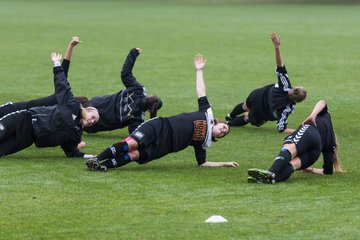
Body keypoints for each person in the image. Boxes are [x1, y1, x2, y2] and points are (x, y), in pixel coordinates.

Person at [86, 53, 239, 171]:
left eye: (224, 134)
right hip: (161, 126)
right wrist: (199, 70)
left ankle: (104, 166)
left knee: (134, 155)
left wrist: (225, 163)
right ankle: (97, 159)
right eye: (224, 127)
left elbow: (203, 163)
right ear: (218, 123)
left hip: (164, 147)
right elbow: (201, 91)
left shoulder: (204, 143)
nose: (223, 131)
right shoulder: (207, 114)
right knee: (132, 143)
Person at [0, 52, 99, 158]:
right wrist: (57, 63)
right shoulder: (72, 106)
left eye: (94, 122)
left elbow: (71, 152)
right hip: (24, 119)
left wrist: (88, 156)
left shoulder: (76, 134)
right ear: (87, 110)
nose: (92, 121)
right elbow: (62, 85)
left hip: (29, 138)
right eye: (93, 117)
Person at [225, 32, 307, 133]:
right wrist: (301, 131)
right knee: (247, 117)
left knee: (245, 106)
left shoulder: (285, 85)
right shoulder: (288, 107)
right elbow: (282, 128)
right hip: (262, 112)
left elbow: (279, 65)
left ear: (295, 88)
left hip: (258, 96)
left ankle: (230, 115)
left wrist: (276, 47)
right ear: (298, 101)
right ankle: (227, 124)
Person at [247, 100, 344, 184]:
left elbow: (322, 102)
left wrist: (312, 116)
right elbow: (328, 171)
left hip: (310, 131)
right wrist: (311, 169)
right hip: (315, 152)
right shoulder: (331, 144)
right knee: (292, 165)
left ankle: (270, 172)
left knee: (289, 148)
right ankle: (272, 179)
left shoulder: (326, 116)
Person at [83, 47, 162, 135]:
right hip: (92, 125)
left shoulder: (138, 90)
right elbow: (135, 134)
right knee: (71, 123)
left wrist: (133, 53)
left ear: (150, 97)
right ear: (150, 110)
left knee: (68, 105)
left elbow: (126, 73)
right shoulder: (137, 118)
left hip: (92, 104)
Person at [0, 36, 85, 118]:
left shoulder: (65, 112)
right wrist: (71, 46)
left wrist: (71, 46)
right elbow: (64, 68)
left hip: (23, 116)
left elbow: (64, 68)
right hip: (16, 110)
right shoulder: (61, 96)